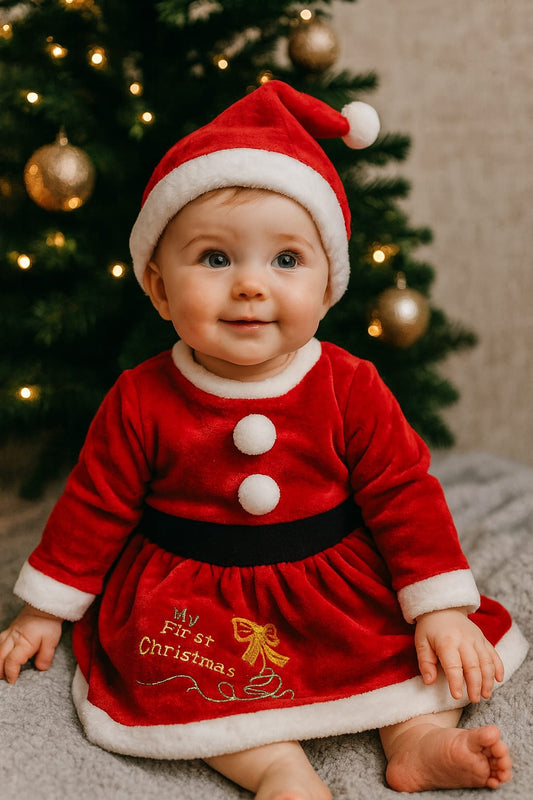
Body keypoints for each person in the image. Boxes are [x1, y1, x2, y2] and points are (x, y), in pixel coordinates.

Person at [0, 81, 528, 800]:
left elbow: (402, 492)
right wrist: (43, 611)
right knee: (201, 694)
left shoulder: (350, 385)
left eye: (285, 261)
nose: (250, 285)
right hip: (195, 588)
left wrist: (437, 605)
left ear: (327, 286)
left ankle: (417, 741)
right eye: (215, 259)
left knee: (418, 658)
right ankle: (277, 770)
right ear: (157, 287)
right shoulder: (141, 397)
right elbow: (96, 505)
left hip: (329, 577)